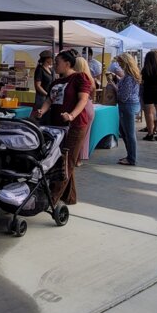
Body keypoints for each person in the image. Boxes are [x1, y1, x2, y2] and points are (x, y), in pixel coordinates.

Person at [35, 50, 92, 205]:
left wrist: (72, 115)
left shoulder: (80, 77)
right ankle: (70, 197)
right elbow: (49, 100)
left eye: (57, 62)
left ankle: (51, 199)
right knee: (61, 159)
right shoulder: (56, 82)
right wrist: (42, 110)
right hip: (56, 127)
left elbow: (83, 100)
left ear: (67, 63)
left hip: (75, 125)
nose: (54, 65)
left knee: (67, 161)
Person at [113, 53, 142, 165]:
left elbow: (123, 96)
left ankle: (131, 158)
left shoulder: (129, 77)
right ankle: (130, 156)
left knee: (129, 133)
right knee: (124, 132)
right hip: (130, 105)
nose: (119, 65)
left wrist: (114, 87)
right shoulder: (130, 75)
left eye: (120, 62)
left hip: (128, 106)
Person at [74, 56, 96, 164]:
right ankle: (80, 158)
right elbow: (93, 93)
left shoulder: (77, 79)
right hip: (89, 106)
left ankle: (76, 158)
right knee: (85, 135)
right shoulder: (90, 78)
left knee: (77, 134)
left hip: (81, 107)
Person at [33, 50, 54, 123]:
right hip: (41, 98)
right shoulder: (40, 69)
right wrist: (47, 94)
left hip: (49, 97)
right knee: (41, 116)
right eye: (52, 58)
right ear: (47, 59)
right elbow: (38, 86)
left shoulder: (51, 70)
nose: (53, 60)